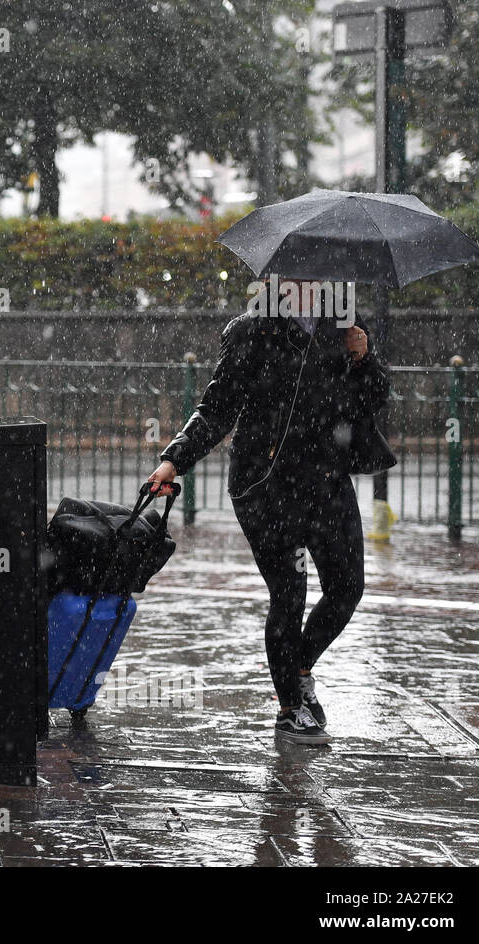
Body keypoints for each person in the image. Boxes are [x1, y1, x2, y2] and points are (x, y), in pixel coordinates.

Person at [145, 278, 390, 745]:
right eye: (296, 279)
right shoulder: (250, 332)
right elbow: (217, 409)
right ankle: (290, 707)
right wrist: (174, 458)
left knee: (347, 586)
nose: (308, 288)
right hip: (266, 483)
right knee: (289, 593)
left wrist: (365, 357)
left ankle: (299, 668)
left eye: (316, 280)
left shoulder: (343, 327)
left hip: (326, 480)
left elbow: (373, 399)